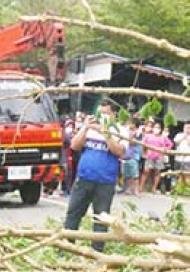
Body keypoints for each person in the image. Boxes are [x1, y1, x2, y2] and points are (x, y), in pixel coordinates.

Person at [63, 100, 125, 252]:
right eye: (99, 113)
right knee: (73, 213)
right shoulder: (89, 129)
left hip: (105, 181)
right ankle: (66, 247)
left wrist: (106, 132)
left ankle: (97, 251)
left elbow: (118, 151)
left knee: (101, 218)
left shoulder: (120, 131)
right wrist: (85, 128)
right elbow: (74, 146)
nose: (101, 116)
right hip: (84, 178)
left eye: (105, 113)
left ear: (113, 114)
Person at [139, 120, 173, 194]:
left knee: (157, 172)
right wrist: (144, 153)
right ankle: (141, 187)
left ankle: (154, 188)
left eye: (158, 127)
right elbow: (143, 144)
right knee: (146, 171)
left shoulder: (163, 137)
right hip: (149, 156)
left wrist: (165, 149)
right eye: (155, 127)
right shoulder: (148, 136)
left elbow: (170, 144)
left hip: (159, 156)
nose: (156, 129)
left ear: (161, 129)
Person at [119, 118, 142, 196]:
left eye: (130, 123)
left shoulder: (138, 133)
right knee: (127, 174)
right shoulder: (126, 131)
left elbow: (133, 142)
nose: (129, 125)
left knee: (134, 174)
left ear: (135, 125)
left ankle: (136, 190)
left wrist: (129, 138)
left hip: (134, 155)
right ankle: (128, 188)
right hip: (126, 155)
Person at [175, 122, 190, 189]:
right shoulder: (179, 135)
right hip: (178, 159)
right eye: (186, 128)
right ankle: (179, 190)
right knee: (178, 175)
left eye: (189, 128)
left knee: (187, 175)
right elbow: (176, 142)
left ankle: (186, 190)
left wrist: (187, 137)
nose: (187, 129)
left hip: (188, 160)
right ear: (183, 128)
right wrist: (184, 136)